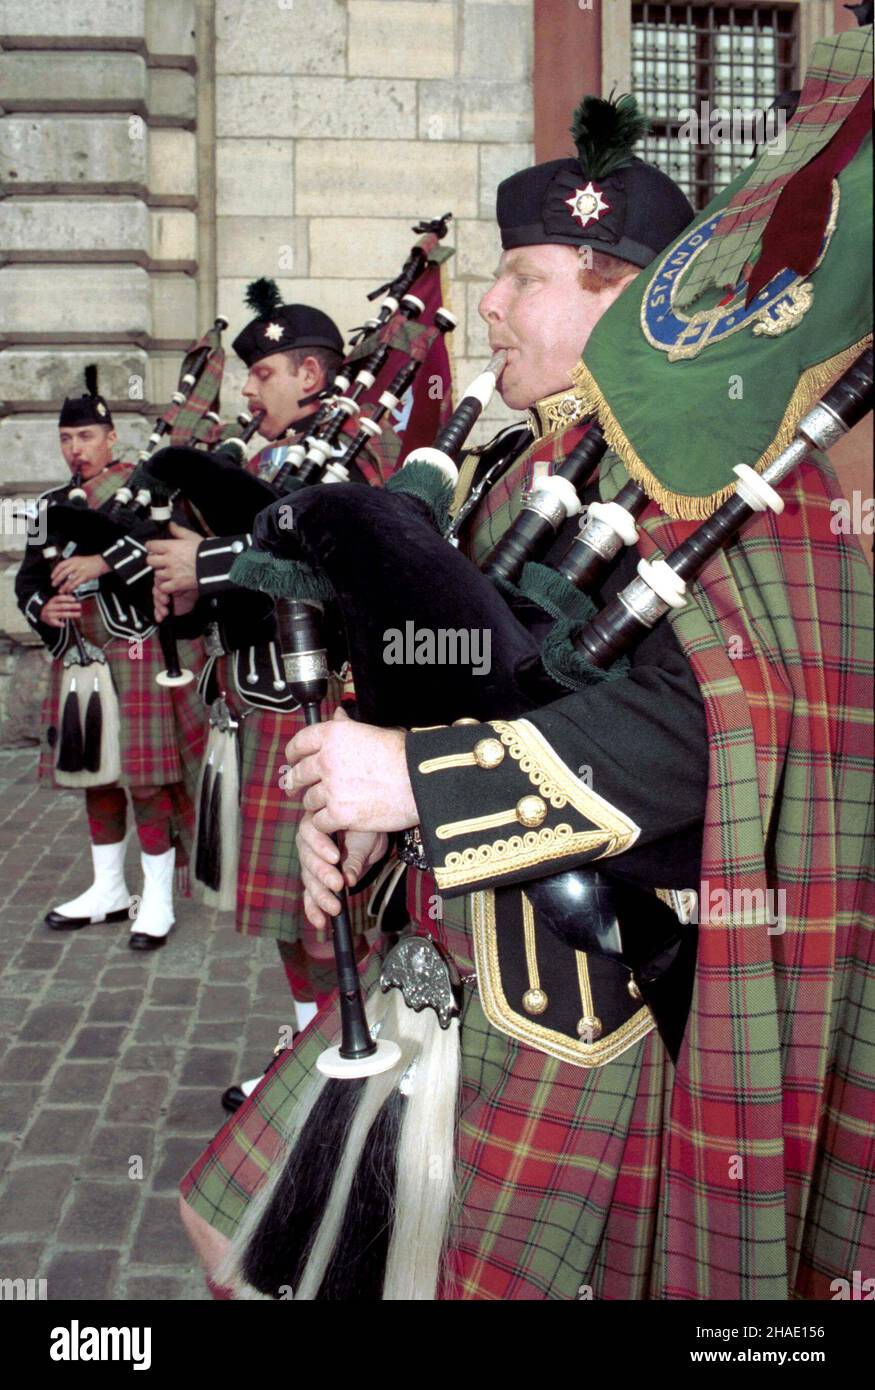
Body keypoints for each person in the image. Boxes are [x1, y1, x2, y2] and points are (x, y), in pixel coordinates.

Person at [180, 68, 872, 1301]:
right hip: (448, 969)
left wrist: (413, 779)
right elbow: (470, 671)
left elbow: (710, 735)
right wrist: (363, 813)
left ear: (622, 304)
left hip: (586, 1007)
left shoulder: (706, 478)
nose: (485, 304)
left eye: (525, 276)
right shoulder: (522, 456)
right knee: (235, 1237)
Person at [146, 285, 398, 1109]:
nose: (246, 390)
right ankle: (310, 1044)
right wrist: (189, 591)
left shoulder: (362, 453)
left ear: (311, 372)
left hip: (326, 711)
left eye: (262, 373)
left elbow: (346, 568)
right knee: (291, 917)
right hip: (261, 704)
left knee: (329, 912)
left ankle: (351, 1056)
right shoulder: (266, 458)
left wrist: (208, 563)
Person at [15, 370, 205, 951]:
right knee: (94, 774)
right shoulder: (40, 507)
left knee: (147, 781)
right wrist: (43, 607)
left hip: (137, 651)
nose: (77, 449)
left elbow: (166, 557)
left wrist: (101, 563)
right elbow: (24, 578)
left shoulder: (147, 492)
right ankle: (106, 890)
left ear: (112, 437)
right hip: (79, 658)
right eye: (67, 438)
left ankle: (159, 900)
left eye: (87, 436)